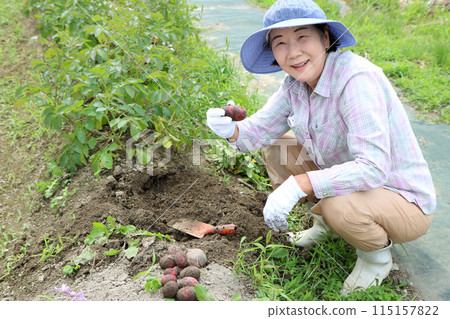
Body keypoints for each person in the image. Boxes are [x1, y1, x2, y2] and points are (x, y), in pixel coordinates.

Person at [206, 0, 435, 295]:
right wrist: (230, 130)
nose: (294, 52)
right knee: (279, 146)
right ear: (273, 52)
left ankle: (375, 259)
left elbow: (373, 168)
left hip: (402, 198)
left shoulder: (356, 80)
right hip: (353, 184)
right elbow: (258, 133)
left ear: (325, 38)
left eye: (303, 37)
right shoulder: (294, 85)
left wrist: (298, 184)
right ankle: (324, 226)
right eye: (280, 43)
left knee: (337, 204)